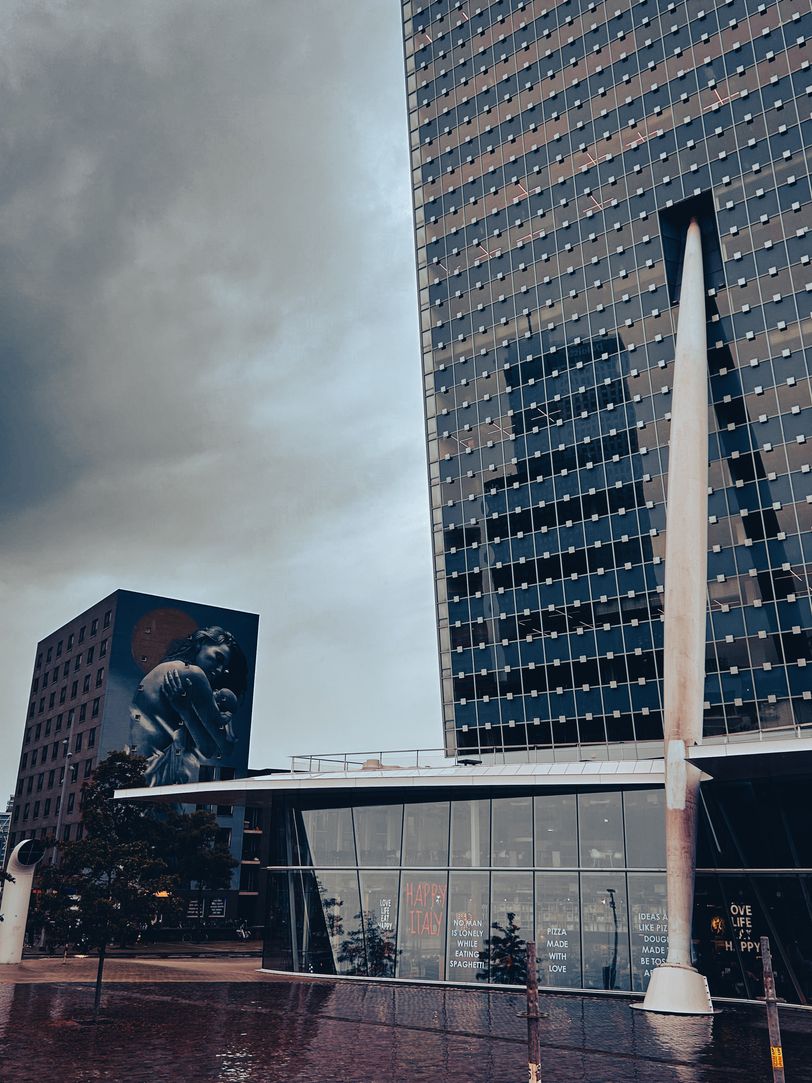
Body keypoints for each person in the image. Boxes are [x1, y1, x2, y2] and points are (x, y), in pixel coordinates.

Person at [129, 626, 248, 787]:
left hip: (135, 769)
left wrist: (184, 710)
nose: (219, 670)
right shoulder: (193, 674)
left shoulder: (164, 670)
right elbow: (214, 748)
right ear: (202, 643)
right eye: (218, 658)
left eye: (224, 667)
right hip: (155, 774)